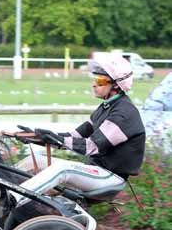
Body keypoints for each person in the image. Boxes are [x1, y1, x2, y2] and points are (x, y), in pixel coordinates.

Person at [11, 52, 146, 206]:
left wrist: (56, 139)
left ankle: (14, 198)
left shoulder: (124, 113)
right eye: (95, 79)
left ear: (116, 85)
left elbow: (91, 146)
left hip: (110, 177)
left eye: (101, 81)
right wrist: (36, 137)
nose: (94, 84)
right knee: (31, 162)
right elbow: (73, 136)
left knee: (63, 169)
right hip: (95, 170)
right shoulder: (104, 108)